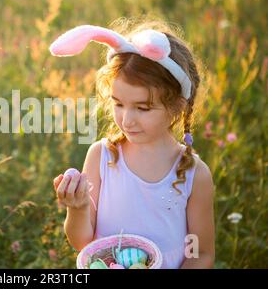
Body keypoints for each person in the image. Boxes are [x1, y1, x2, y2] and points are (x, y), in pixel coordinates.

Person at [50, 19, 215, 268]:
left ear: (177, 107)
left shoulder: (194, 174)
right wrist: (78, 207)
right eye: (118, 104)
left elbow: (201, 254)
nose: (127, 120)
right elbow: (81, 241)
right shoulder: (102, 157)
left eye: (143, 108)